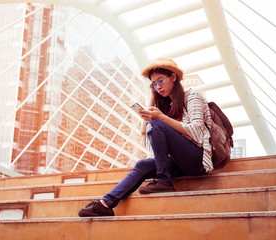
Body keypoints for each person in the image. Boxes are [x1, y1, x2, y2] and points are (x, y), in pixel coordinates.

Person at [78, 58, 214, 217]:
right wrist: (153, 99)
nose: (158, 87)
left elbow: (197, 131)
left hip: (197, 160)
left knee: (156, 123)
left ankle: (164, 181)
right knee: (142, 164)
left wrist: (161, 118)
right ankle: (105, 204)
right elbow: (145, 131)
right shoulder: (167, 107)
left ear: (174, 77)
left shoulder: (192, 97)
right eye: (154, 84)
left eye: (160, 81)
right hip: (179, 162)